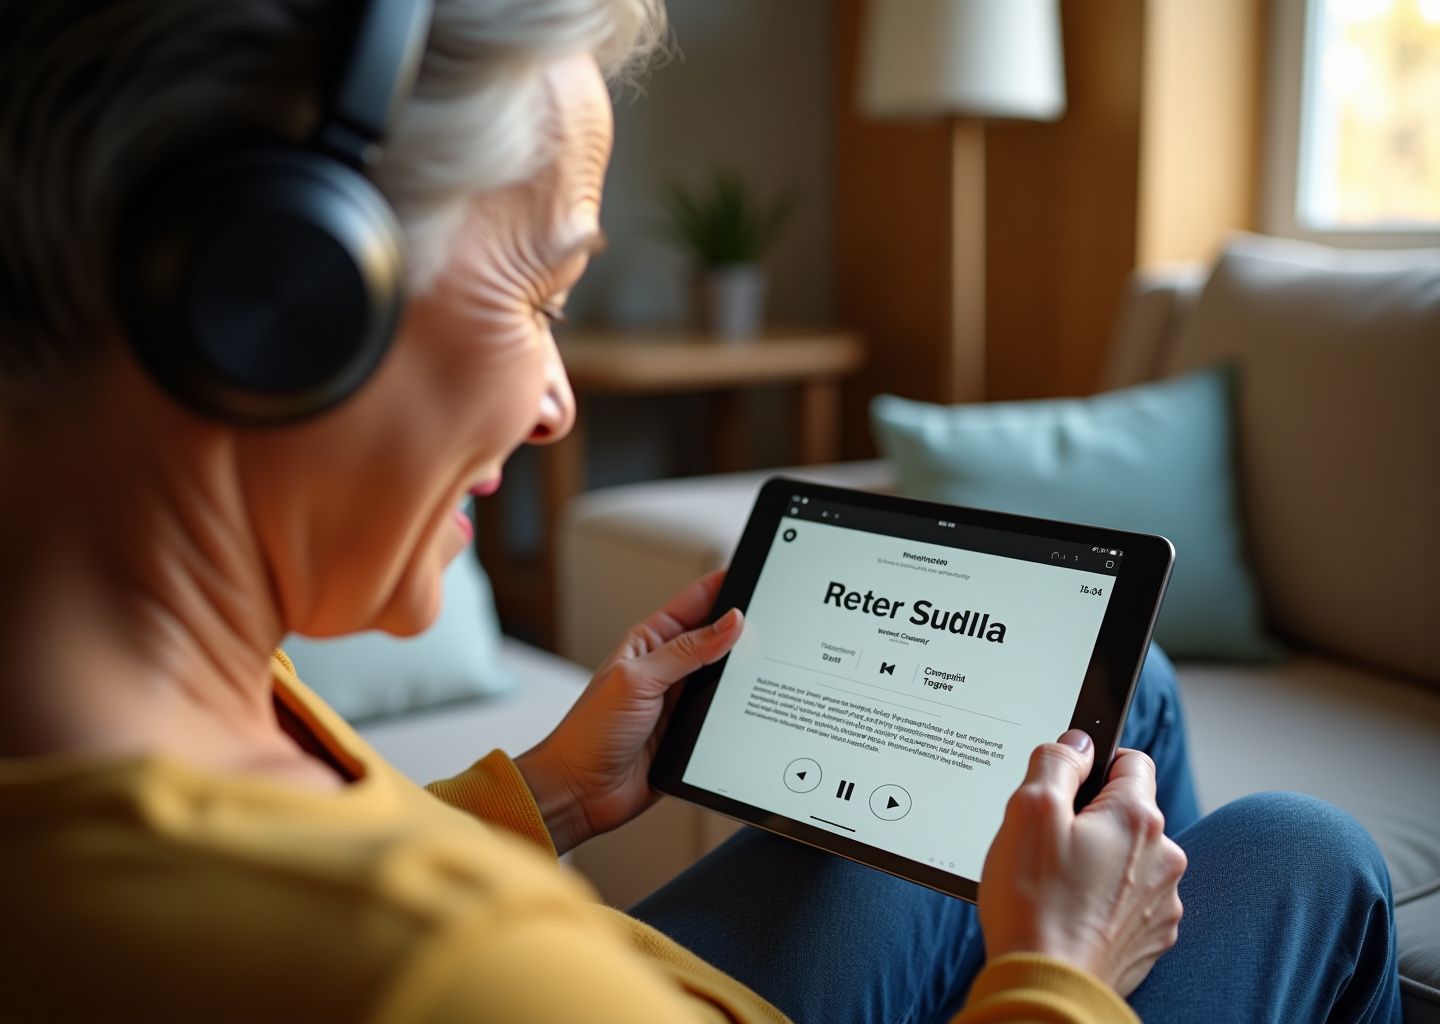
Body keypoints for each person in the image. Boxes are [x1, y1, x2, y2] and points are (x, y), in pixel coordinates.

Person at [0, 1, 1403, 1022]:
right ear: (280, 292)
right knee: (1311, 855)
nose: (556, 401)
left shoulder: (163, 712)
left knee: (1111, 687)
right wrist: (1057, 977)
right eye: (539, 294)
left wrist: (547, 790)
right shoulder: (448, 972)